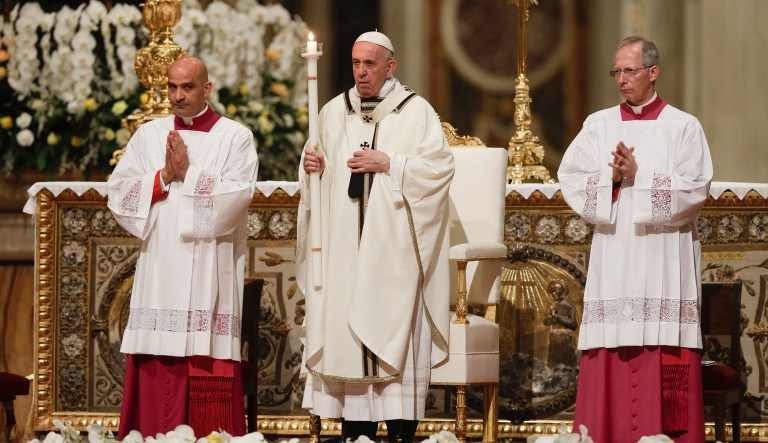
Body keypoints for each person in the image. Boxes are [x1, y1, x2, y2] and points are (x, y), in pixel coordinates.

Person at [296, 31, 454, 443]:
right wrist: (312, 166)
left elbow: (439, 170)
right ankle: (356, 433)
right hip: (346, 250)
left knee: (393, 337)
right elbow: (318, 171)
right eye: (355, 64)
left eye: (369, 64)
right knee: (350, 339)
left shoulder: (416, 112)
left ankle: (402, 432)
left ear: (390, 67)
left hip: (394, 253)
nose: (361, 72)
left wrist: (391, 164)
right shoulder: (333, 112)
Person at [558, 36, 713, 443]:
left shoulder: (684, 126)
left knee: (664, 347)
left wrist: (639, 176)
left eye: (630, 71)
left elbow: (695, 190)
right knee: (610, 344)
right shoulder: (598, 124)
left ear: (653, 72)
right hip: (616, 252)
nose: (622, 80)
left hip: (663, 256)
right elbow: (570, 179)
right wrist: (611, 177)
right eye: (617, 72)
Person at [107, 56, 258, 439]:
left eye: (187, 87)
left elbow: (236, 199)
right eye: (172, 87)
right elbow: (119, 193)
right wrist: (163, 177)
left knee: (204, 354)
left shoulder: (235, 137)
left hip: (210, 265)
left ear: (206, 89)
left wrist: (188, 175)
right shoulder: (148, 136)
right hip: (160, 265)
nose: (177, 96)